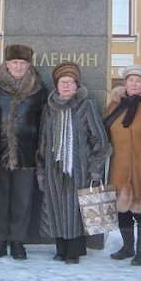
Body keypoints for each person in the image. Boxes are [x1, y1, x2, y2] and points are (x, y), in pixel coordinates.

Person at [37, 62, 110, 264]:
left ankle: (74, 251)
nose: (66, 86)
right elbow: (43, 140)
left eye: (70, 82)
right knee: (56, 208)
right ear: (57, 85)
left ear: (77, 85)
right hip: (54, 168)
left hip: (80, 169)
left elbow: (99, 140)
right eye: (62, 82)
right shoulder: (49, 108)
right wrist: (41, 170)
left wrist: (96, 169)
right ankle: (60, 248)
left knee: (75, 209)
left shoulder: (86, 106)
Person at [0, 44, 47, 260]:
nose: (18, 67)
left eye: (23, 63)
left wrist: (41, 148)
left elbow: (43, 120)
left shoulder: (38, 87)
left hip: (27, 152)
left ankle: (18, 241)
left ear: (29, 65)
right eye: (14, 63)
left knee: (22, 199)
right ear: (7, 64)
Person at [103, 64, 141, 266]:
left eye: (138, 81)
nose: (134, 84)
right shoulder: (115, 105)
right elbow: (105, 129)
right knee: (122, 207)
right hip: (119, 163)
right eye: (130, 80)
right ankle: (127, 247)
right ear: (125, 83)